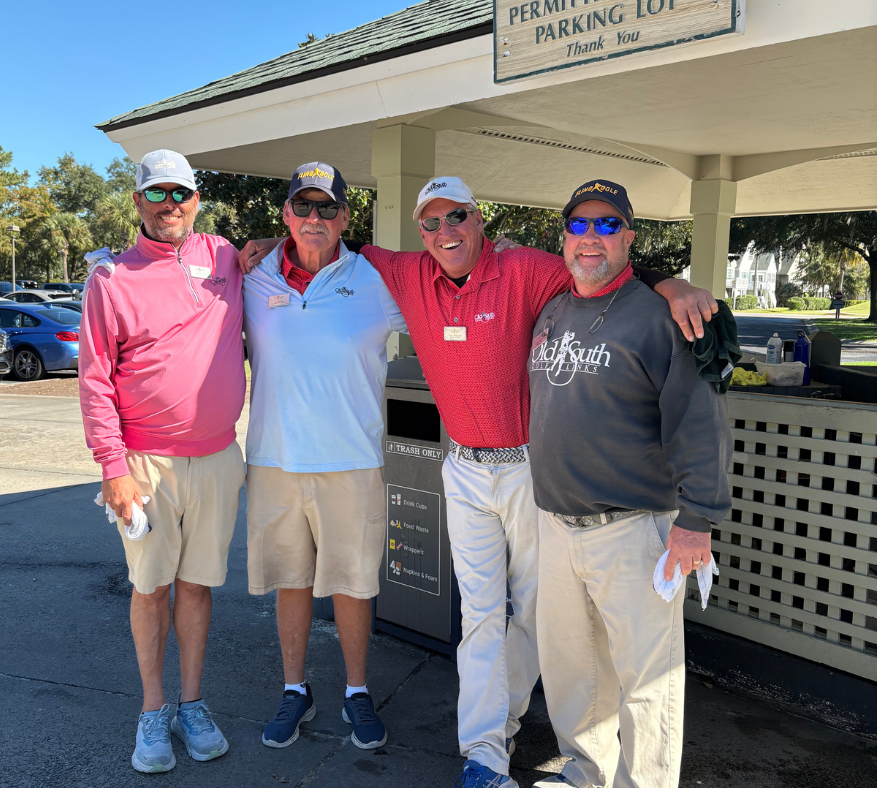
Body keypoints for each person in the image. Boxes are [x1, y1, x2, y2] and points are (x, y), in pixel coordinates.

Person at [240, 177, 716, 788]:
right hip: (463, 469)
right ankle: (485, 753)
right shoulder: (406, 273)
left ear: (479, 218)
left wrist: (669, 283)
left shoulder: (526, 268)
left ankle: (527, 729)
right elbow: (330, 240)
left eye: (458, 217)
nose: (446, 233)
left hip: (528, 467)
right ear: (420, 232)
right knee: (482, 616)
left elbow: (596, 266)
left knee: (543, 618)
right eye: (432, 223)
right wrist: (261, 242)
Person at [527, 181, 732, 788]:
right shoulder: (554, 308)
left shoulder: (660, 315)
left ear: (630, 239)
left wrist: (697, 521)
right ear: (565, 237)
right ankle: (585, 775)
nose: (593, 238)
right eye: (581, 225)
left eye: (609, 226)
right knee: (574, 673)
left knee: (648, 684)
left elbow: (701, 420)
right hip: (557, 525)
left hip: (634, 529)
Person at [79, 150, 245, 773]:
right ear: (138, 203)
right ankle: (154, 713)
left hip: (220, 458)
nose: (169, 203)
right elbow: (95, 380)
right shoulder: (110, 278)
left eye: (180, 193)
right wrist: (111, 467)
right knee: (150, 589)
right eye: (157, 193)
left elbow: (271, 255)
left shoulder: (225, 256)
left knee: (197, 588)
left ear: (196, 199)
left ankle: (192, 705)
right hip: (145, 464)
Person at [242, 162, 407, 751]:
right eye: (303, 207)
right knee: (291, 579)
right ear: (286, 213)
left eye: (328, 208)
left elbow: (443, 306)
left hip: (352, 459)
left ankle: (356, 692)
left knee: (354, 583)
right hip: (274, 459)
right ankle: (295, 689)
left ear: (345, 216)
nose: (315, 218)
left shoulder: (376, 280)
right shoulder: (252, 277)